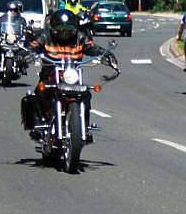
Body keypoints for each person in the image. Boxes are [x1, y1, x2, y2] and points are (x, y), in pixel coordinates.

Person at [21, 9, 117, 140]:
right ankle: (39, 125)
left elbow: (91, 47)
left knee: (86, 94)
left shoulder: (80, 37)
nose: (65, 33)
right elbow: (32, 46)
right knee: (40, 91)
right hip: (51, 72)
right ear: (54, 28)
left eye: (68, 29)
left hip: (72, 73)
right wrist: (26, 54)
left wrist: (106, 54)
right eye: (61, 29)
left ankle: (84, 127)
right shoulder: (45, 36)